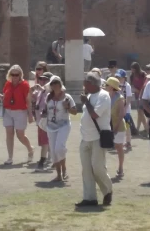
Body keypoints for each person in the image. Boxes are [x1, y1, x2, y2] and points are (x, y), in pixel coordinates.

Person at [76, 72, 113, 207]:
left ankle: (108, 189)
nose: (83, 85)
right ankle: (90, 198)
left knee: (97, 168)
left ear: (91, 84)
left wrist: (86, 102)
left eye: (85, 83)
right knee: (86, 169)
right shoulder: (90, 95)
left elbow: (95, 114)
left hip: (98, 137)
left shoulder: (104, 96)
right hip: (85, 137)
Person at [0, 65, 34, 165]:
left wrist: (30, 114)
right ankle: (10, 157)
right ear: (10, 75)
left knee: (20, 135)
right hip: (8, 111)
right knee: (9, 133)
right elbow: (5, 98)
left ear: (20, 75)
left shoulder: (25, 85)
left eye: (17, 74)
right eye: (13, 74)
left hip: (20, 111)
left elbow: (28, 101)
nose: (15, 76)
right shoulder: (7, 84)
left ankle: (30, 149)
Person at [45, 75, 77, 182]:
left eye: (56, 83)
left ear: (60, 84)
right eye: (52, 83)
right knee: (54, 152)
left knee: (59, 148)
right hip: (51, 126)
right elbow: (46, 110)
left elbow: (75, 112)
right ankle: (59, 175)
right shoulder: (49, 97)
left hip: (64, 125)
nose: (54, 85)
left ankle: (64, 170)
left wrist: (67, 107)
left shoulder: (67, 97)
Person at [105, 77, 127, 178]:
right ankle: (103, 169)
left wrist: (116, 126)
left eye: (107, 85)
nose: (105, 86)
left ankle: (121, 168)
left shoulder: (120, 98)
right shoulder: (104, 96)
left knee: (119, 147)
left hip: (118, 125)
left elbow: (122, 113)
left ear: (111, 87)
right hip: (106, 125)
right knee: (103, 147)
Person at [32, 70, 53, 170]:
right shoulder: (40, 91)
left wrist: (43, 90)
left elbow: (49, 100)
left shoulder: (50, 92)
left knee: (46, 141)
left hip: (47, 121)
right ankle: (51, 158)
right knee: (45, 142)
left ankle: (43, 161)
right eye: (41, 79)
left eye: (45, 79)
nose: (42, 81)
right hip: (40, 121)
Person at [116, 69, 135, 146]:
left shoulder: (127, 85)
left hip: (126, 110)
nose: (118, 79)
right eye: (117, 77)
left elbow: (129, 97)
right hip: (117, 108)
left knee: (126, 126)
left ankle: (128, 141)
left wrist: (125, 108)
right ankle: (117, 141)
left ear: (124, 78)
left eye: (120, 77)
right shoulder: (116, 85)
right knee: (117, 125)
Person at [130, 62, 149, 137]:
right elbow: (131, 85)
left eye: (133, 69)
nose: (132, 70)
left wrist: (140, 91)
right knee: (139, 112)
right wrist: (134, 89)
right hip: (137, 95)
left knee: (141, 111)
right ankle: (138, 129)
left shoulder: (143, 74)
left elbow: (146, 84)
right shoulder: (132, 76)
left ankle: (146, 128)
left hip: (144, 95)